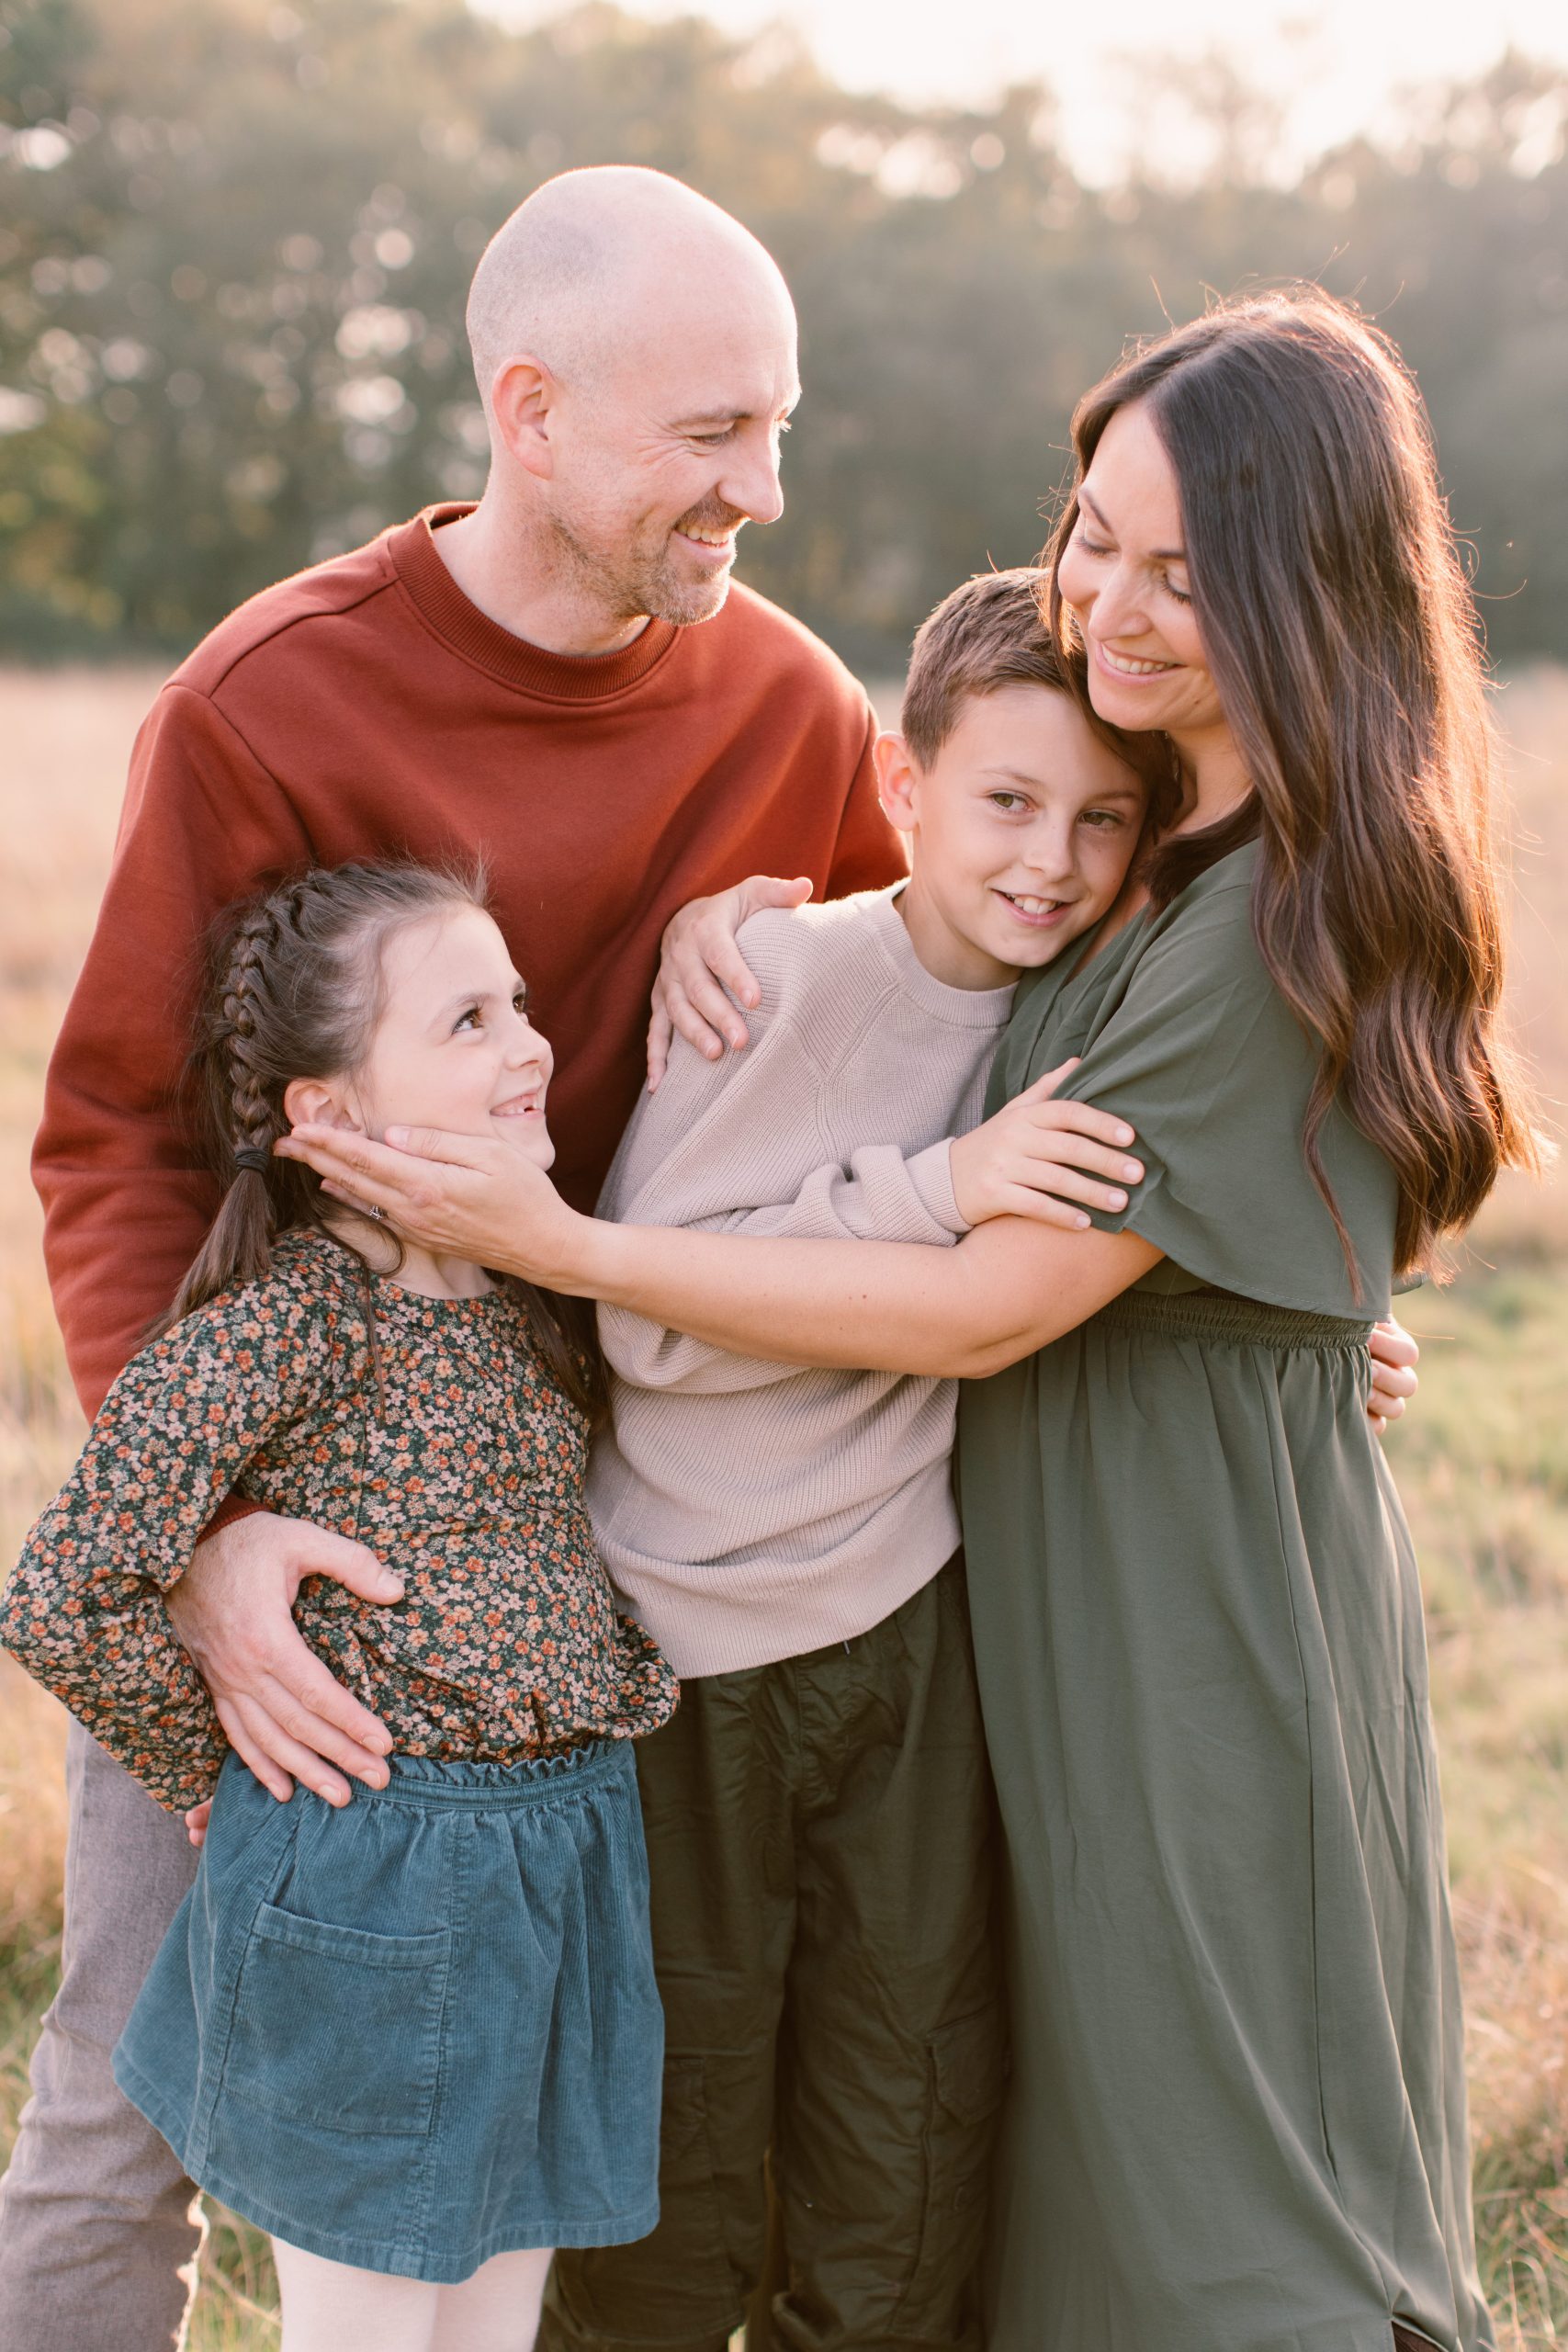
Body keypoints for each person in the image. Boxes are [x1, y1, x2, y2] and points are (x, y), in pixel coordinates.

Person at [289, 289, 1526, 2352]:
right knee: (1058, 2137)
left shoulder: (1246, 911)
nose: (1111, 601)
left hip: (1177, 1616)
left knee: (1225, 2174)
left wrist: (561, 1243)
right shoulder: (1163, 846)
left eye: (1180, 564)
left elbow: (983, 1306)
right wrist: (741, 908)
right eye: (1089, 532)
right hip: (1026, 1597)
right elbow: (963, 1002)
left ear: (1304, 579)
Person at [2, 166, 901, 2352]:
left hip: (604, 1513)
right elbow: (115, 1138)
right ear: (531, 411)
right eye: (710, 437)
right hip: (286, 1480)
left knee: (540, 2102)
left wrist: (783, 925)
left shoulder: (785, 706)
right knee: (131, 2089)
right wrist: (210, 1536)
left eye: (776, 428)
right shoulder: (267, 701)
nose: (759, 492)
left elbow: (956, 986)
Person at [545, 568, 1157, 2352]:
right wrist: (934, 1193)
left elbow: (1090, 1258)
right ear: (902, 785)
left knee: (902, 2114)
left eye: (1098, 818)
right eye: (1006, 801)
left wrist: (1308, 1341)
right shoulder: (785, 980)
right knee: (683, 2123)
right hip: (691, 1649)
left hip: (906, 1625)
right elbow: (649, 1317)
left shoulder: (1085, 1014)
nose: (1047, 856)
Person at [5, 861, 679, 2352]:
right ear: (328, 1115)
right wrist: (212, 1765)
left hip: (561, 1863)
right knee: (370, 2332)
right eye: (466, 1020)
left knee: (492, 2327)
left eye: (518, 1005)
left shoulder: (531, 1296)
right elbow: (66, 1586)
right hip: (385, 1876)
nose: (526, 1045)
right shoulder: (293, 1321)